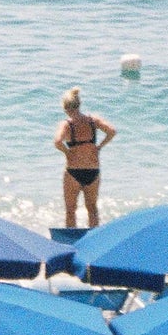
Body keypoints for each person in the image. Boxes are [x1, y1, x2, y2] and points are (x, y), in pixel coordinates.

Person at [54, 87, 115, 230]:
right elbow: (112, 131)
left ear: (65, 107)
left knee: (70, 210)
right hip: (93, 170)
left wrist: (67, 152)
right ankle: (94, 239)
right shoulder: (93, 121)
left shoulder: (67, 124)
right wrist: (99, 147)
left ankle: (72, 240)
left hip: (73, 172)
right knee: (92, 209)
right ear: (79, 104)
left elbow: (57, 141)